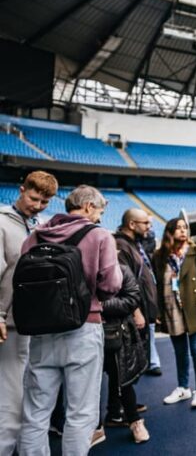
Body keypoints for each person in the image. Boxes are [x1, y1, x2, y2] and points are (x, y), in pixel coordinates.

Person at [18, 185, 122, 456]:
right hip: (83, 327)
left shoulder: (36, 235)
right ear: (88, 207)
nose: (99, 217)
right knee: (81, 412)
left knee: (35, 412)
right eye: (98, 211)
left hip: (41, 329)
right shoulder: (99, 235)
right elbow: (111, 285)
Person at [0, 171, 58, 456]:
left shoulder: (43, 226)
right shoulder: (0, 222)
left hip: (37, 324)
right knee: (10, 402)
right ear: (21, 190)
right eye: (34, 198)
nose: (37, 205)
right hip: (8, 325)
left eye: (45, 202)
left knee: (34, 398)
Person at [153, 217, 196, 408]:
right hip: (171, 309)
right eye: (178, 228)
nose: (183, 231)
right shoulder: (159, 256)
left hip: (194, 308)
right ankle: (183, 388)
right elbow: (157, 285)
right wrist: (157, 310)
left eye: (185, 228)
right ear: (169, 232)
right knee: (180, 352)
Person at [95, 264, 150, 445]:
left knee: (122, 377)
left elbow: (132, 298)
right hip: (88, 332)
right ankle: (97, 425)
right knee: (88, 384)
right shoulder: (82, 266)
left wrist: (97, 305)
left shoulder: (121, 269)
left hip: (118, 332)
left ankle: (134, 422)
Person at [114, 210, 161, 377]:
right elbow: (124, 283)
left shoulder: (134, 243)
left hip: (143, 308)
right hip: (134, 312)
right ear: (132, 224)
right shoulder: (121, 245)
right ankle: (124, 402)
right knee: (129, 363)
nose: (149, 227)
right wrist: (136, 311)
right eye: (146, 223)